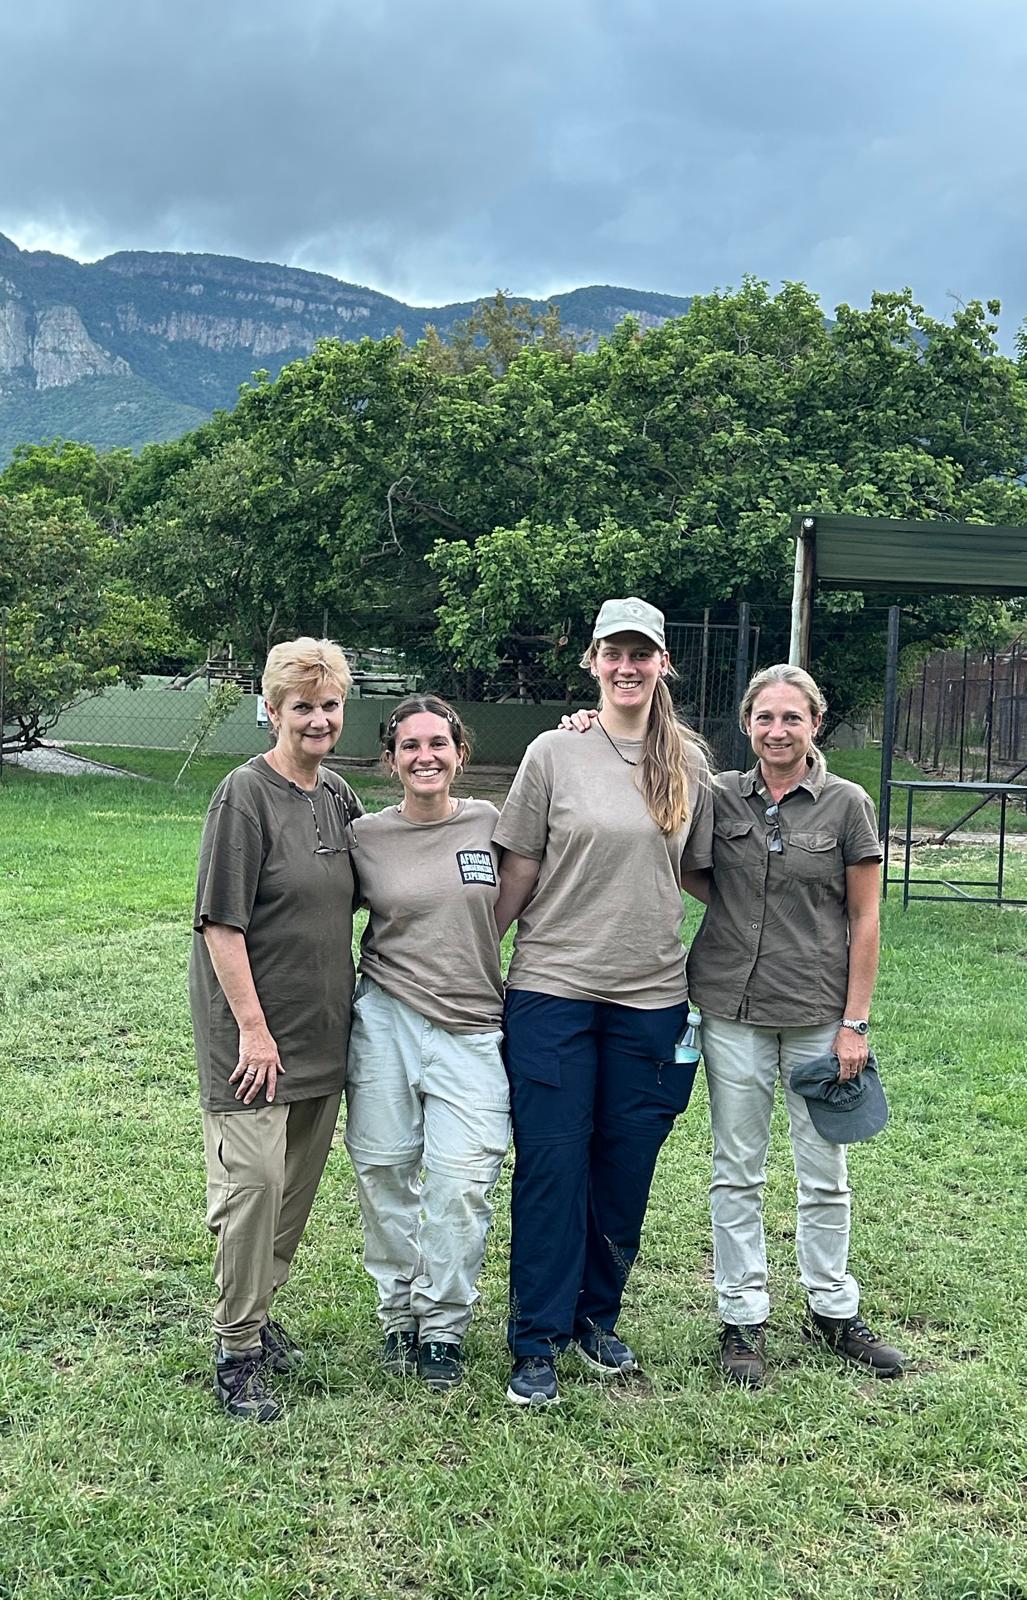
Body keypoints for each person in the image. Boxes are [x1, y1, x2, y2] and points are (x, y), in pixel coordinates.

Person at [493, 597, 713, 1407]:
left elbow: (699, 872)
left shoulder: (689, 763)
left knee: (623, 1170)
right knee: (551, 1166)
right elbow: (516, 868)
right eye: (613, 653)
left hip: (651, 1002)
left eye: (642, 654)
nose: (627, 667)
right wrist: (477, 955)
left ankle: (596, 1320)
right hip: (551, 992)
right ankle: (536, 1341)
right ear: (591, 661)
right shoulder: (552, 752)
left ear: (662, 665)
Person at [684, 662, 905, 1388]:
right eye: (763, 718)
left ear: (814, 724)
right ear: (746, 725)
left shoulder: (846, 805)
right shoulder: (718, 796)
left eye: (791, 718)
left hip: (816, 1016)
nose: (776, 731)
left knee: (824, 1173)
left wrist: (855, 1024)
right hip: (732, 1011)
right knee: (735, 1171)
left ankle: (832, 1308)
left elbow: (865, 915)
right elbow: (692, 868)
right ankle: (740, 1318)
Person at [189, 637, 362, 1422]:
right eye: (302, 706)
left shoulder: (337, 799)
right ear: (271, 710)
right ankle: (236, 1351)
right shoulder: (243, 795)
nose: (318, 718)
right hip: (254, 1045)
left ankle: (259, 1315)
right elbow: (220, 927)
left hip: (323, 1036)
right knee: (250, 1192)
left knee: (290, 1196)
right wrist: (255, 1033)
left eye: (328, 705)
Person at [345, 695, 509, 1393]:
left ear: (459, 753)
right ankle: (397, 1316)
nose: (425, 756)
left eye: (437, 743)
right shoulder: (364, 837)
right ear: (390, 761)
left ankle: (442, 1325)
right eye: (409, 746)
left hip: (473, 1026)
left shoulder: (490, 825)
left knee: (462, 1182)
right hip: (385, 1018)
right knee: (383, 1171)